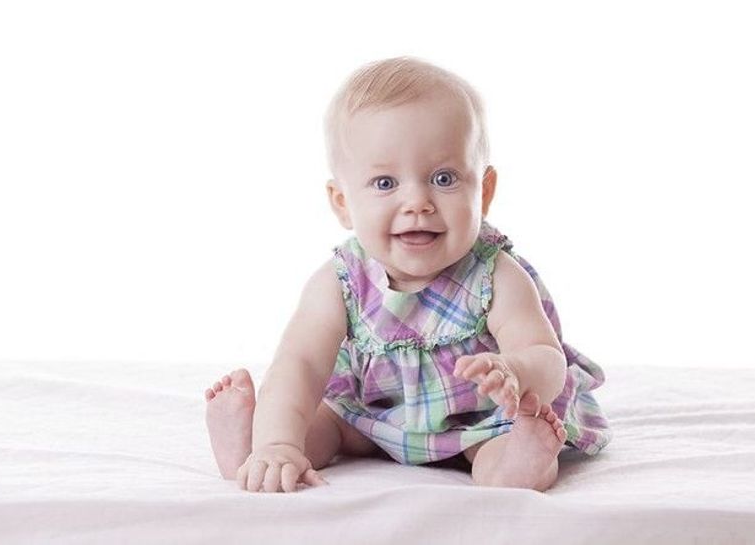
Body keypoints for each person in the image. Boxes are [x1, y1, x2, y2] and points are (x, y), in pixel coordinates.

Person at [204, 56, 611, 493]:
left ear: (484, 191)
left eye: (444, 177)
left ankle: (522, 457)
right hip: (370, 416)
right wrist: (279, 441)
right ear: (342, 202)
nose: (417, 201)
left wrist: (516, 370)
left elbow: (545, 354)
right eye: (385, 183)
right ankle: (252, 450)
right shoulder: (341, 281)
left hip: (477, 423)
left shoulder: (496, 276)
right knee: (318, 427)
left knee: (500, 459)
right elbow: (299, 365)